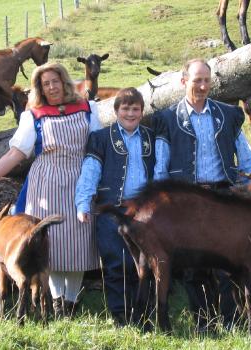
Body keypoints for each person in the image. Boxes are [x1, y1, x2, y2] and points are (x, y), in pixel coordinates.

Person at [153, 58, 251, 330]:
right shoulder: (167, 119)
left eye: (206, 80)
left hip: (222, 196)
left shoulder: (228, 114)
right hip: (187, 200)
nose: (202, 86)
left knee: (227, 263)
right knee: (193, 266)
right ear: (183, 82)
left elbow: (247, 160)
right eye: (196, 80)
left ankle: (230, 320)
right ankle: (203, 321)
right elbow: (161, 166)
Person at [0, 62, 101, 318]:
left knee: (78, 242)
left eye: (55, 81)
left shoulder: (87, 108)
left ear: (64, 81)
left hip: (79, 180)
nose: (51, 87)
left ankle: (71, 303)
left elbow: (98, 145)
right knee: (50, 243)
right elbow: (17, 152)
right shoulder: (34, 115)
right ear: (40, 89)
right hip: (45, 182)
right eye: (45, 84)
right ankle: (57, 303)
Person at [75, 87, 155, 327]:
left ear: (141, 112)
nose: (130, 113)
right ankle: (121, 315)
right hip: (110, 211)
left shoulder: (150, 137)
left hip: (144, 213)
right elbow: (90, 172)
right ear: (116, 110)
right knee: (115, 263)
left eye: (135, 109)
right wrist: (83, 203)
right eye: (125, 108)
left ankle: (144, 312)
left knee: (145, 264)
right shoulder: (100, 138)